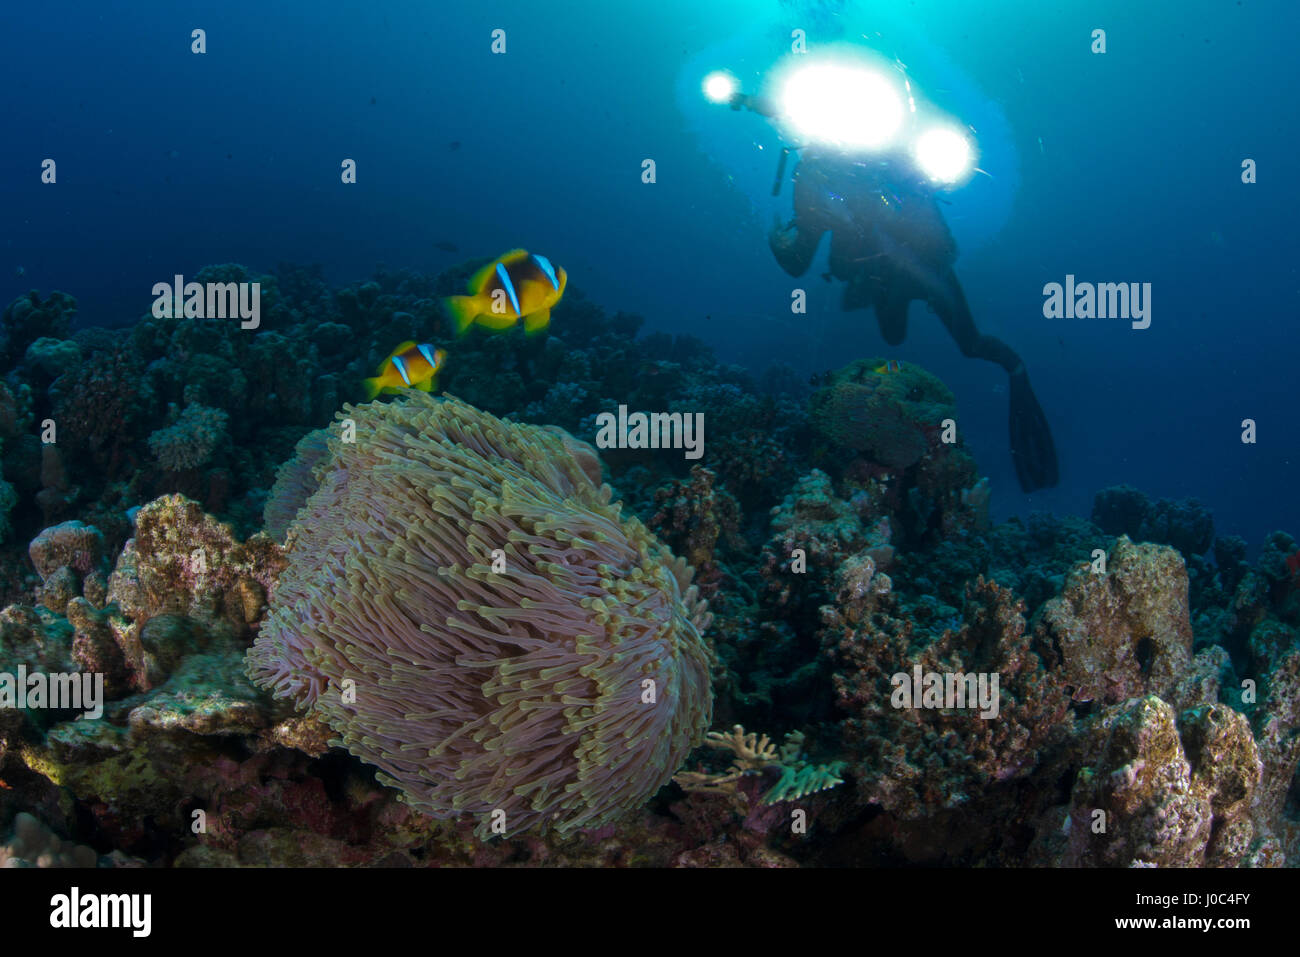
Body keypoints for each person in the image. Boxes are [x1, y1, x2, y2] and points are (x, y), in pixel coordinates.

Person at [735, 92, 1059, 492]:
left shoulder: (886, 153)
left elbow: (933, 170)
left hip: (925, 268)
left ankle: (1016, 372)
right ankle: (904, 348)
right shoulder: (814, 176)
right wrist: (779, 241)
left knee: (969, 342)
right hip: (884, 280)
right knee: (895, 335)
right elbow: (801, 260)